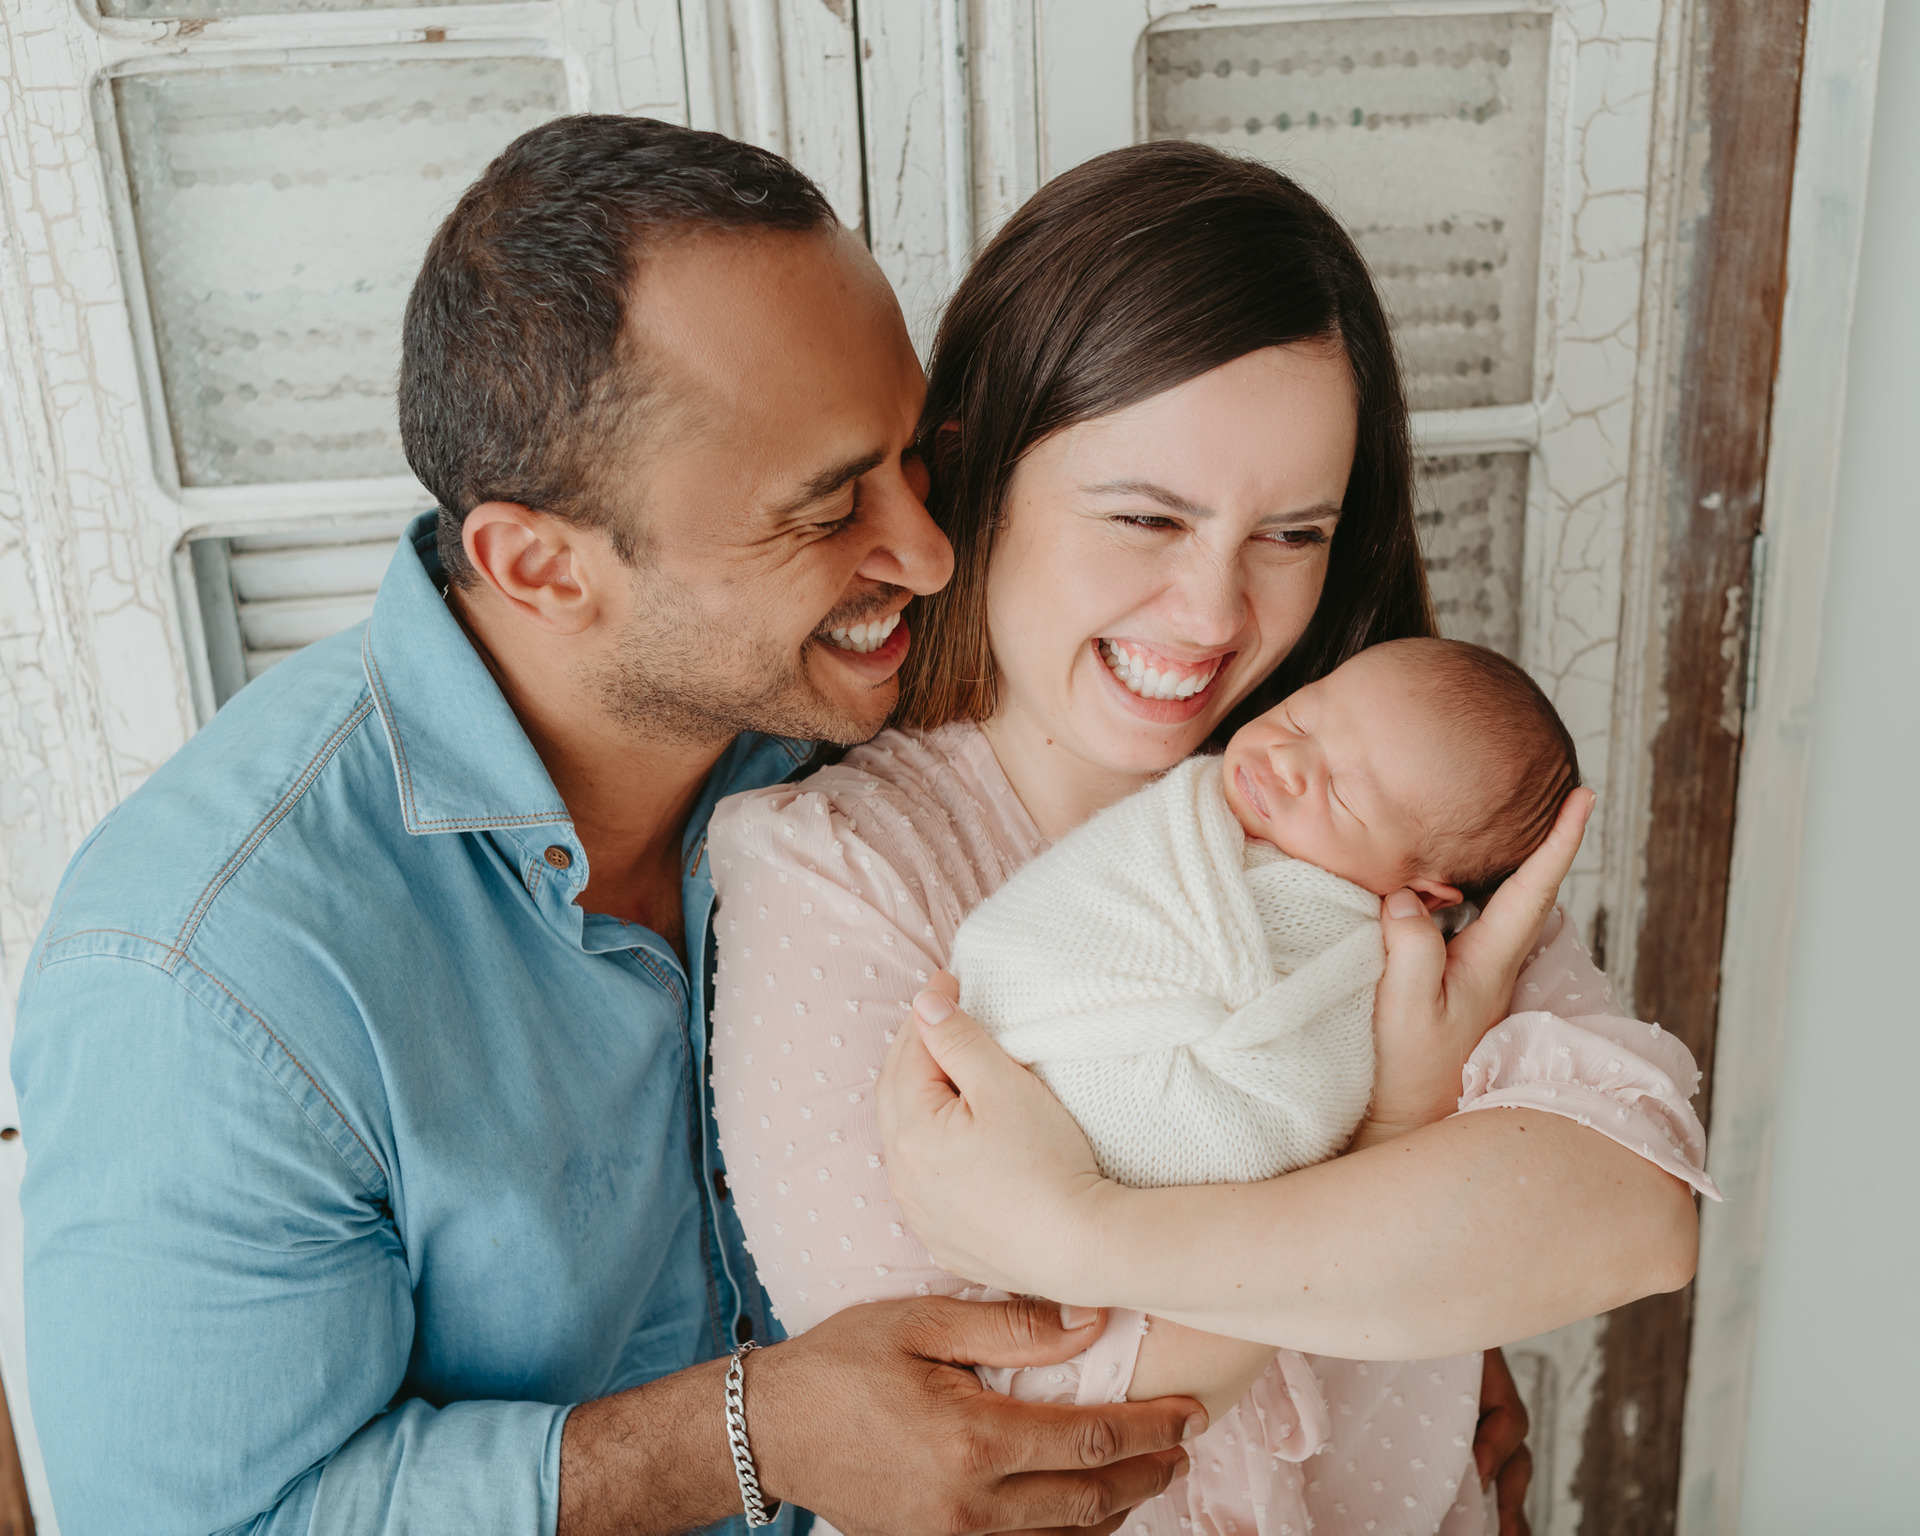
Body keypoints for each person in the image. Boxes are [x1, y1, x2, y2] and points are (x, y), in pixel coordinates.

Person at [9, 118, 1202, 1536]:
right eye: (829, 508)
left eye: (915, 458)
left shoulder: (855, 704)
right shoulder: (202, 977)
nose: (929, 554)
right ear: (540, 566)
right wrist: (753, 1435)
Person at [707, 143, 1705, 1536]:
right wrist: (1400, 1144)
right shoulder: (840, 869)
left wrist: (1081, 1233)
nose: (1215, 613)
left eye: (1291, 534)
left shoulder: (1393, 796)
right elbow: (1001, 1457)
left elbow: (1633, 1211)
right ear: (975, 473)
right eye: (1145, 517)